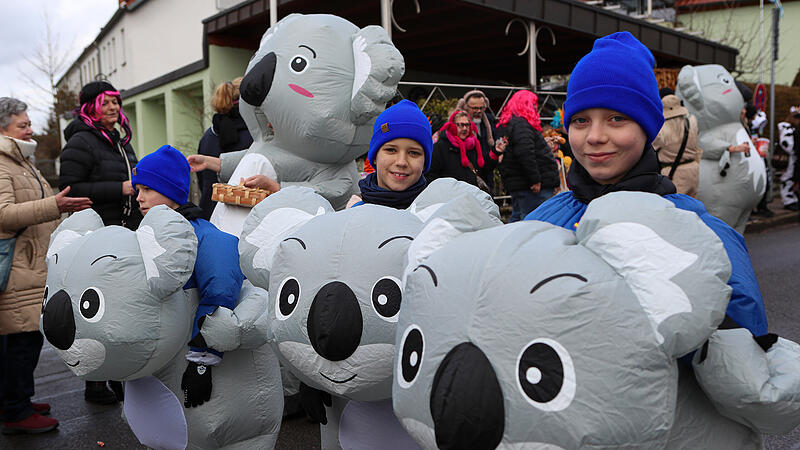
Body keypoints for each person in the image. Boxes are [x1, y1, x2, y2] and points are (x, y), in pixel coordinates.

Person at [526, 31, 767, 339]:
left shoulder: (705, 233)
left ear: (649, 129)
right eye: (580, 121)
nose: (595, 136)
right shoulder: (540, 222)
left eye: (616, 119)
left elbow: (742, 345)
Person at [0, 98, 91, 434]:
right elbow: (3, 215)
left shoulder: (20, 160)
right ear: (3, 127)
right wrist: (54, 205)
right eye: (22, 124)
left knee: (20, 339)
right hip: (16, 270)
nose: (30, 128)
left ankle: (14, 400)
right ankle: (16, 412)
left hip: (29, 266)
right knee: (21, 339)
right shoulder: (3, 163)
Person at [132, 144, 245, 408]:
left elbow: (220, 293)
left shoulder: (205, 236)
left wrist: (202, 360)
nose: (139, 197)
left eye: (147, 189)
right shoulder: (144, 236)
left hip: (192, 354)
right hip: (161, 361)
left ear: (172, 193)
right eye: (138, 190)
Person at [59, 80, 141, 404]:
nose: (113, 108)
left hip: (124, 231)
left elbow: (131, 181)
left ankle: (122, 375)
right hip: (96, 235)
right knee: (97, 308)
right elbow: (70, 189)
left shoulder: (119, 139)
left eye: (116, 102)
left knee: (122, 307)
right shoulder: (81, 141)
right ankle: (94, 382)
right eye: (105, 103)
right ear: (89, 106)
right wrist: (118, 188)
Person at [350, 99, 434, 209]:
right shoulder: (352, 214)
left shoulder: (435, 215)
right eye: (391, 150)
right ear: (375, 156)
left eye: (413, 153)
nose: (401, 162)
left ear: (424, 162)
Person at [494, 90, 559, 222]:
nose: (536, 108)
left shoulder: (510, 124)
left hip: (522, 185)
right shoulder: (521, 125)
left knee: (518, 219)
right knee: (534, 222)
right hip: (532, 188)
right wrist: (535, 180)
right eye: (534, 104)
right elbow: (525, 153)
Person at [196, 78, 253, 220]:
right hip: (244, 215)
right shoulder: (255, 135)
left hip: (211, 214)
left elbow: (203, 182)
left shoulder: (208, 137)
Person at [427, 110, 505, 188]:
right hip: (451, 196)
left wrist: (495, 152)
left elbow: (483, 170)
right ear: (452, 126)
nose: (465, 128)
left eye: (467, 125)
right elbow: (432, 175)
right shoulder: (440, 148)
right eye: (460, 125)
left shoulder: (473, 145)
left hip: (472, 195)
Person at [652, 93, 701, 197]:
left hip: (673, 173)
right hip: (694, 169)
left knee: (677, 207)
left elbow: (652, 148)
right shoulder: (692, 121)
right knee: (693, 205)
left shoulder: (662, 129)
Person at [457, 90, 498, 189]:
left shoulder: (489, 120)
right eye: (474, 108)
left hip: (487, 173)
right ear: (465, 106)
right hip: (467, 175)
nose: (478, 111)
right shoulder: (458, 123)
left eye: (481, 108)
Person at [778, 108, 800, 211]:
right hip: (789, 159)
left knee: (790, 178)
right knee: (787, 178)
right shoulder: (787, 128)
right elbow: (786, 144)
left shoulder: (792, 128)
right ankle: (788, 200)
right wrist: (794, 152)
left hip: (793, 158)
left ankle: (791, 199)